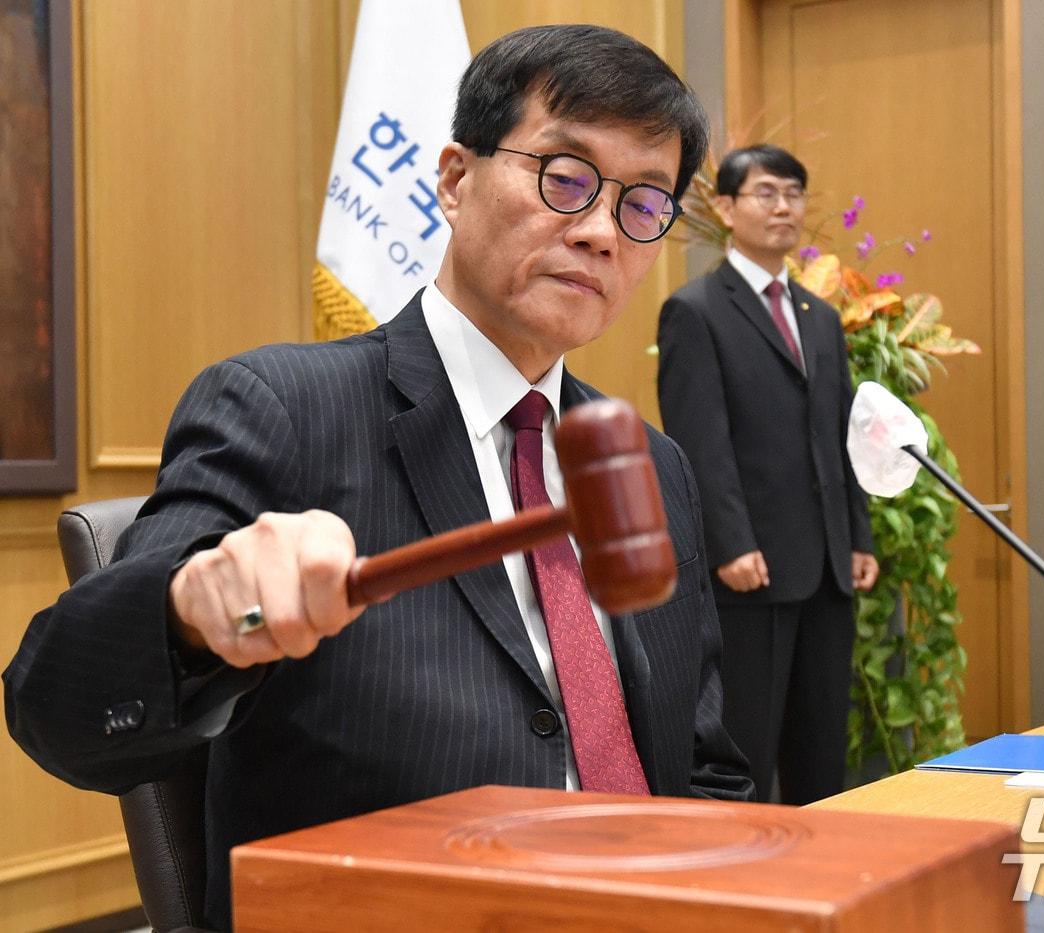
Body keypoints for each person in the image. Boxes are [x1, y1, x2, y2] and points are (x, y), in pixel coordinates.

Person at [4, 24, 753, 929]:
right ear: (453, 176)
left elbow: (704, 764)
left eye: (642, 205)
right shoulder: (283, 407)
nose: (600, 231)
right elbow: (56, 706)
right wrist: (192, 613)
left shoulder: (651, 462)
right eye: (565, 176)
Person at [656, 145, 876, 804]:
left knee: (821, 748)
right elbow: (699, 441)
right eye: (766, 192)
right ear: (725, 208)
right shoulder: (696, 310)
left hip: (827, 566)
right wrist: (728, 542)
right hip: (750, 568)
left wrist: (858, 534)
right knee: (747, 741)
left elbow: (842, 436)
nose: (784, 207)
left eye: (795, 194)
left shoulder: (821, 316)